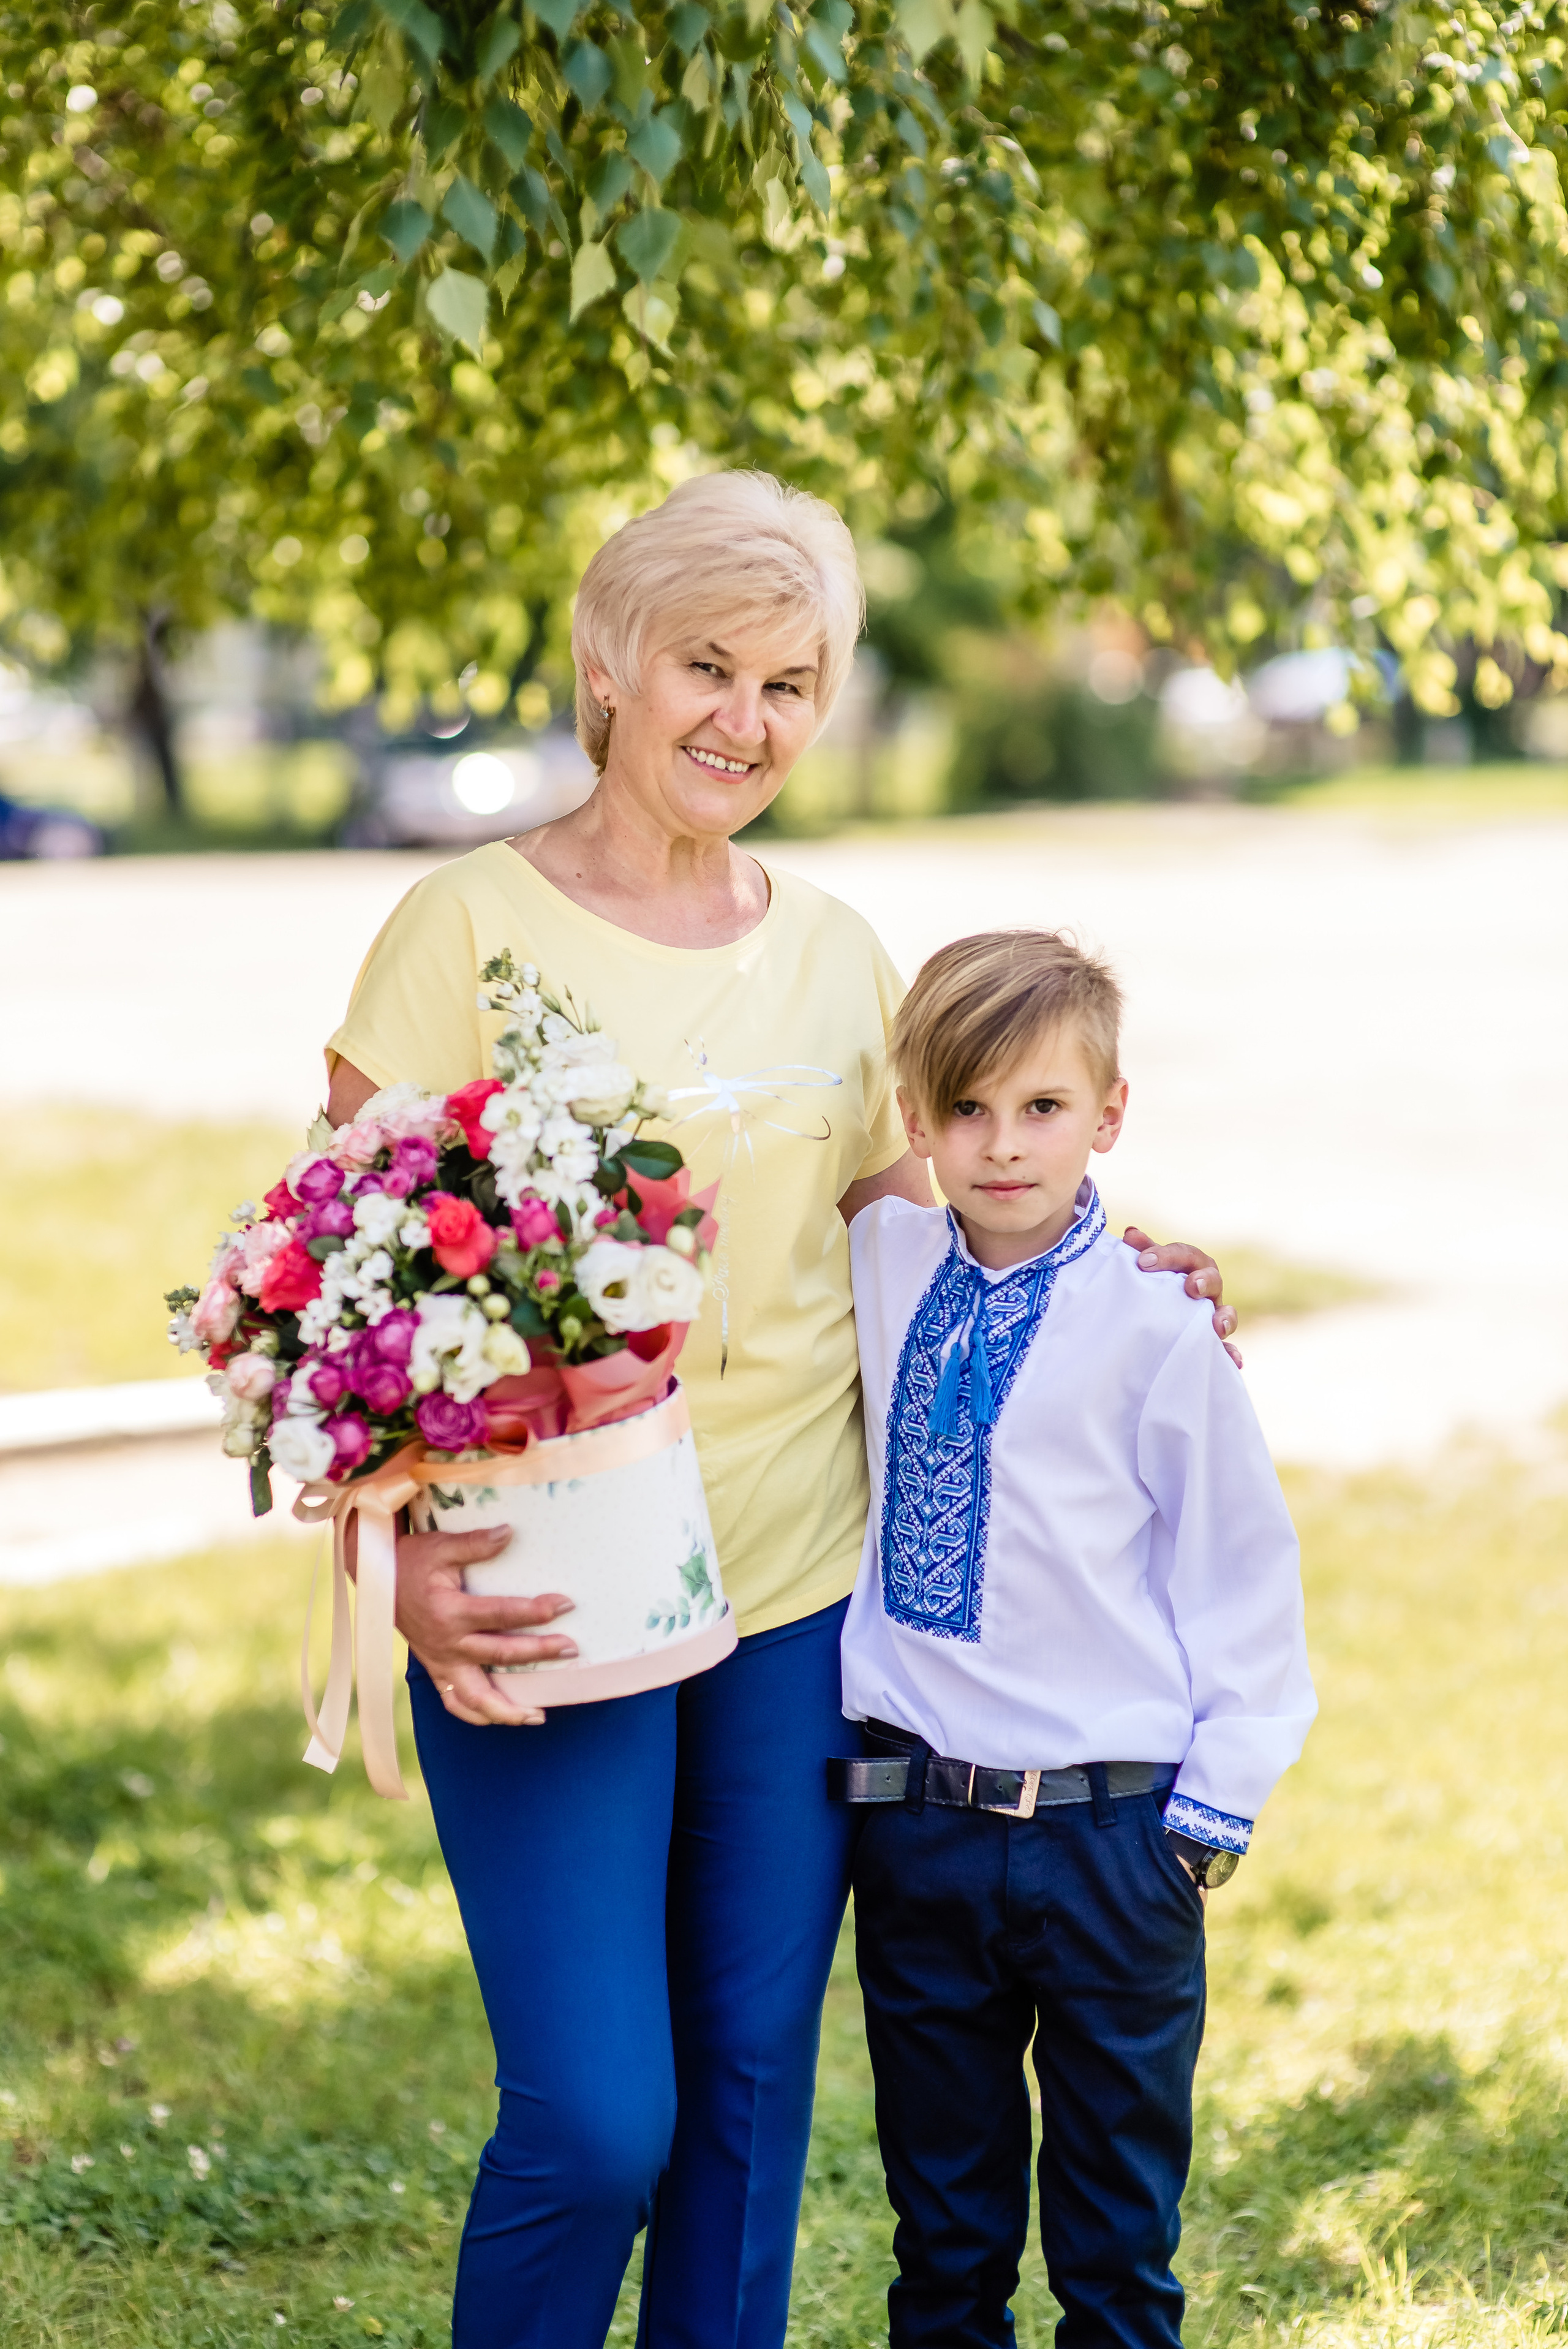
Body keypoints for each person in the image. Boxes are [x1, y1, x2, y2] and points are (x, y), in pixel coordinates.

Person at [322, 474, 1238, 2349]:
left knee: (744, 2101)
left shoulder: (835, 949)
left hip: (797, 1601)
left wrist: (1126, 1256)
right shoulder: (459, 927)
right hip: (541, 1593)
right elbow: (338, 1297)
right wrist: (393, 1572)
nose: (744, 720)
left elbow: (922, 1217)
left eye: (792, 683)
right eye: (707, 668)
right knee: (598, 2119)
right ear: (608, 664)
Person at [834, 929, 1316, 2349]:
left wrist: (1202, 1823)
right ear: (914, 1121)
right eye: (965, 1110)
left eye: (1041, 1108)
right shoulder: (877, 1257)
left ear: (1107, 1115)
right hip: (916, 1825)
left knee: (1114, 2245)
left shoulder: (1156, 1322)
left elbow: (1240, 1575)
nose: (1000, 1146)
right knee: (943, 2233)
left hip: (1113, 1840)